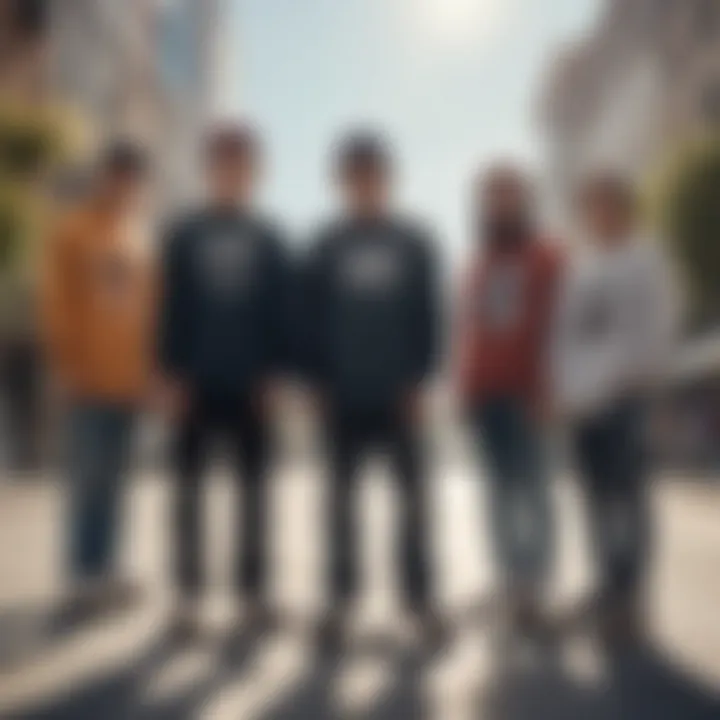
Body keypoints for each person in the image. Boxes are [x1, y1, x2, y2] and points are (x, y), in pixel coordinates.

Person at [300, 131, 442, 651]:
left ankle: (420, 600)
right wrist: (314, 381)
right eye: (354, 175)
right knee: (339, 507)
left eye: (373, 173)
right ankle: (341, 601)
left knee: (413, 505)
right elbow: (307, 320)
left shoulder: (415, 241)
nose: (364, 183)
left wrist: (422, 378)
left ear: (388, 178)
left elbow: (430, 316)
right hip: (341, 397)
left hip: (399, 397)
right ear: (342, 183)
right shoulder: (324, 245)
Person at [159, 124, 290, 640]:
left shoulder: (270, 237)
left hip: (253, 386)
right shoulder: (184, 234)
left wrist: (276, 374)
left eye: (241, 164)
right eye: (222, 162)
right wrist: (169, 373)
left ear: (253, 173)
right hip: (194, 383)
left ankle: (252, 595)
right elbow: (171, 309)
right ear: (208, 170)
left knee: (253, 495)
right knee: (188, 494)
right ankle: (188, 596)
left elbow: (283, 313)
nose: (231, 172)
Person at [551, 173, 677, 646]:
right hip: (584, 407)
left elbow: (659, 330)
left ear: (626, 208)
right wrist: (564, 393)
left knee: (628, 502)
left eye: (607, 205)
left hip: (627, 398)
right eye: (590, 207)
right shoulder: (582, 268)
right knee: (596, 504)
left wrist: (644, 384)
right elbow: (565, 339)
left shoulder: (647, 260)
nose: (598, 215)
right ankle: (606, 586)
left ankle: (631, 600)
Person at [41, 140, 155, 617]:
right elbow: (57, 301)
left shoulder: (139, 237)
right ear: (102, 176)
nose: (123, 184)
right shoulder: (74, 230)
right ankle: (80, 576)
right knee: (87, 480)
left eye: (131, 178)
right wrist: (65, 365)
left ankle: (107, 570)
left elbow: (151, 312)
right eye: (116, 174)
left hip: (131, 384)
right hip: (86, 379)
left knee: (116, 482)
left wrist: (152, 373)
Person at [455, 163, 563, 639]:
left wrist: (548, 386)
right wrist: (465, 388)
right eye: (491, 195)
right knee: (497, 496)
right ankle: (507, 580)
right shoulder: (477, 262)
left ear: (524, 199)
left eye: (508, 193)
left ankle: (535, 587)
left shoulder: (546, 256)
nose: (499, 202)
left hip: (529, 393)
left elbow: (560, 326)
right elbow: (470, 332)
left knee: (534, 492)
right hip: (486, 396)